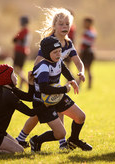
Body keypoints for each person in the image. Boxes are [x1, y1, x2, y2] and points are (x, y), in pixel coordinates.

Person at [16, 8, 85, 149]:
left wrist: (81, 72)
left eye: (67, 24)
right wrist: (39, 78)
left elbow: (77, 61)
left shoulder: (68, 43)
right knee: (37, 115)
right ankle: (20, 139)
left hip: (55, 86)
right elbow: (38, 64)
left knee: (59, 111)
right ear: (54, 26)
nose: (65, 27)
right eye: (61, 24)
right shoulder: (49, 43)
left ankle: (62, 143)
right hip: (42, 86)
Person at [29, 36, 92, 152]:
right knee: (60, 133)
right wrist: (64, 89)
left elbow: (63, 69)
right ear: (47, 53)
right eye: (55, 52)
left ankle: (73, 140)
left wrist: (72, 80)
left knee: (80, 117)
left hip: (56, 96)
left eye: (60, 51)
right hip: (43, 103)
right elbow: (44, 88)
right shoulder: (44, 67)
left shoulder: (57, 60)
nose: (59, 54)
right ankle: (36, 140)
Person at [0, 64, 40, 153]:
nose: (16, 76)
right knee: (19, 151)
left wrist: (31, 82)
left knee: (18, 145)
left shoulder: (10, 90)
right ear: (6, 78)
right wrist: (47, 104)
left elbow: (29, 97)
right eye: (13, 74)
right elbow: (30, 112)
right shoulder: (8, 95)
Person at [78, 17, 96, 89]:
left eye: (85, 22)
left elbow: (86, 43)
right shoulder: (92, 31)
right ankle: (86, 86)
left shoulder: (88, 32)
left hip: (87, 53)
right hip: (88, 52)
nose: (84, 24)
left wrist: (81, 51)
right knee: (87, 70)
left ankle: (80, 85)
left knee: (84, 69)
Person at [13, 16, 31, 89]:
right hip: (22, 51)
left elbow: (15, 39)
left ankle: (26, 81)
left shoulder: (24, 31)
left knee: (16, 69)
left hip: (20, 51)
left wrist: (17, 40)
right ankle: (21, 85)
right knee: (19, 69)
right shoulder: (26, 31)